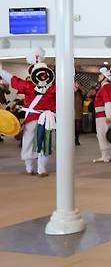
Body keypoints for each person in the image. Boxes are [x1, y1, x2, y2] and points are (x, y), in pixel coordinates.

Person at [0, 48, 56, 176]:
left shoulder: (27, 86)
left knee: (29, 141)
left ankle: (29, 168)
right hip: (47, 119)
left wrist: (1, 71)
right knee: (45, 142)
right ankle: (41, 169)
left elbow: (11, 78)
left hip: (32, 118)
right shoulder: (53, 88)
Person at [93, 67, 111, 163]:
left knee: (103, 134)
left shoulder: (105, 87)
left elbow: (108, 102)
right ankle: (110, 154)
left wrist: (109, 116)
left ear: (105, 77)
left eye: (100, 75)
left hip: (103, 115)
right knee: (105, 134)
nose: (99, 76)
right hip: (102, 115)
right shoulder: (105, 87)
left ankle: (106, 155)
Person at [74, 80, 85, 146]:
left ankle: (77, 139)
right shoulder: (70, 90)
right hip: (71, 112)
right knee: (72, 127)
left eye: (78, 83)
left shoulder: (81, 92)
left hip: (78, 112)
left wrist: (79, 88)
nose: (77, 85)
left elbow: (85, 93)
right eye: (76, 83)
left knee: (78, 127)